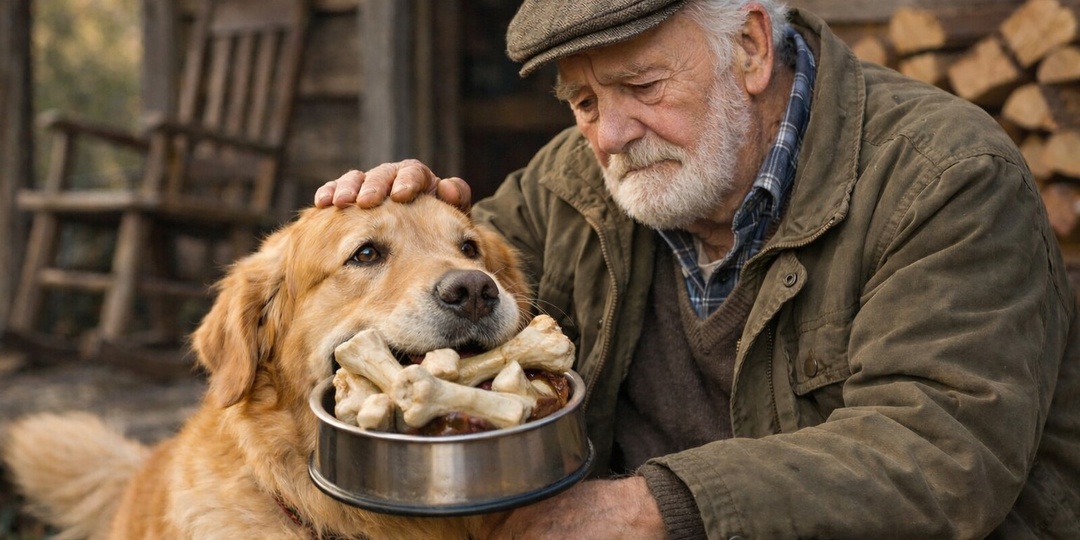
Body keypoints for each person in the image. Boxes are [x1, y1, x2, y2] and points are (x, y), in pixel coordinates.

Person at [315, 0, 1080, 537]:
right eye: (582, 101)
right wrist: (413, 227)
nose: (611, 134)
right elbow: (454, 311)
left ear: (749, 48)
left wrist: (654, 508)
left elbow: (942, 456)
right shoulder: (571, 181)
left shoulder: (947, 177)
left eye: (642, 87)